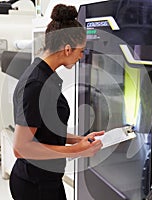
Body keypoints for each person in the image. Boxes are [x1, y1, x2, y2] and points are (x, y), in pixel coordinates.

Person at [9, 4, 104, 200]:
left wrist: (79, 140)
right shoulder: (36, 84)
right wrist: (76, 151)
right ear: (68, 49)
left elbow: (44, 129)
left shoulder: (46, 76)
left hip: (46, 180)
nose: (81, 56)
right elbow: (21, 148)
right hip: (35, 186)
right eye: (81, 51)